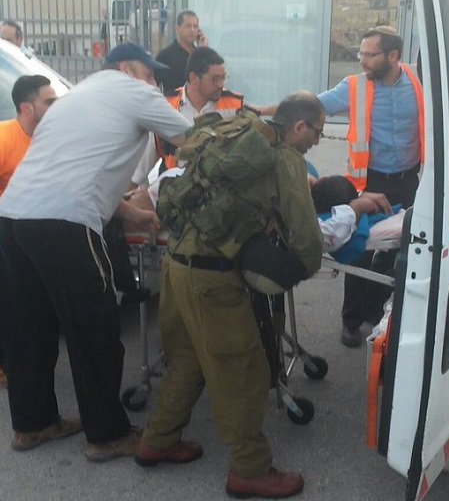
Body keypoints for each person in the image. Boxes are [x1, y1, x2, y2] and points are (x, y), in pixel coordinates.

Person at [0, 43, 192, 461]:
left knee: (28, 329)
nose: (152, 82)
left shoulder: (73, 98)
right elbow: (193, 140)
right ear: (124, 68)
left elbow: (71, 167)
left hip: (14, 219)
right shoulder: (133, 91)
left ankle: (33, 426)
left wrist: (125, 212)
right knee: (96, 329)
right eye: (147, 73)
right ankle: (106, 434)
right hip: (65, 225)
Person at [134, 91, 324, 499]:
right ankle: (250, 470)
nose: (317, 143)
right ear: (299, 126)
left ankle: (159, 438)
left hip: (176, 265)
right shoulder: (283, 156)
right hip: (213, 279)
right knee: (245, 372)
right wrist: (304, 267)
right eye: (318, 133)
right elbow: (305, 231)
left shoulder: (231, 131)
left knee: (186, 360)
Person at [317, 25, 424, 348]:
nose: (361, 60)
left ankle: (376, 312)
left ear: (393, 56)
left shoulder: (420, 83)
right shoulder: (354, 87)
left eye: (368, 54)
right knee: (359, 248)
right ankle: (351, 321)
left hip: (407, 182)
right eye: (360, 52)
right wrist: (263, 113)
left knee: (399, 251)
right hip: (367, 181)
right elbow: (311, 106)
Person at [0, 75, 57, 389]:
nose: (56, 106)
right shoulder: (4, 137)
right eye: (49, 101)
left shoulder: (50, 140)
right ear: (26, 107)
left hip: (37, 231)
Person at [131, 45, 243, 187]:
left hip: (221, 196)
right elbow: (140, 170)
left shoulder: (235, 106)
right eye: (215, 79)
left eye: (223, 78)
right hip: (175, 194)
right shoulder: (166, 108)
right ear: (194, 78)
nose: (221, 84)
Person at [155, 9, 208, 93]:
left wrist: (203, 51)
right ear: (177, 28)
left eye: (195, 26)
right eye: (188, 26)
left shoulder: (201, 54)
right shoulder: (165, 56)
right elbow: (153, 85)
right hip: (175, 103)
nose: (192, 30)